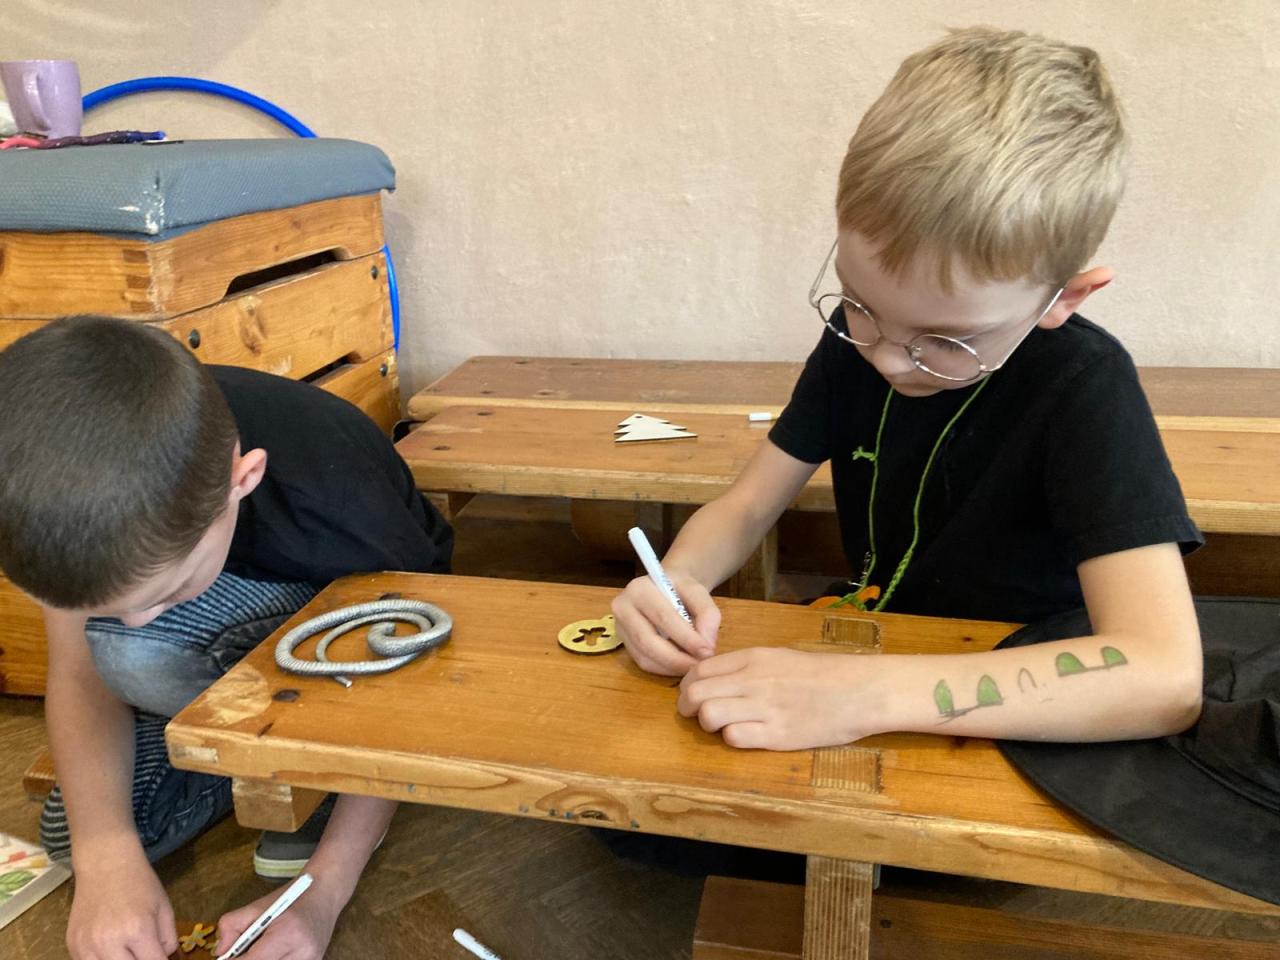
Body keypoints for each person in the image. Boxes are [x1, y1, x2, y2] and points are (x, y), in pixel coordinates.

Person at [612, 26, 1204, 752]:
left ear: (1065, 298)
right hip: (881, 646)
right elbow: (747, 505)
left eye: (947, 341)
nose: (889, 359)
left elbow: (1165, 677)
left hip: (1026, 709)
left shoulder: (1084, 387)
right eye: (860, 305)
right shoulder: (857, 344)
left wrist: (864, 693)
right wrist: (675, 582)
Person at [0, 315, 453, 960]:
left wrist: (323, 891)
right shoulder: (57, 489)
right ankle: (241, 743)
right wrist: (105, 857)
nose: (137, 616)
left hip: (372, 615)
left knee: (132, 651)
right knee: (81, 837)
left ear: (245, 479)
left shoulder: (337, 502)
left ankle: (323, 780)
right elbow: (76, 671)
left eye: (165, 594)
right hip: (239, 624)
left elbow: (407, 681)